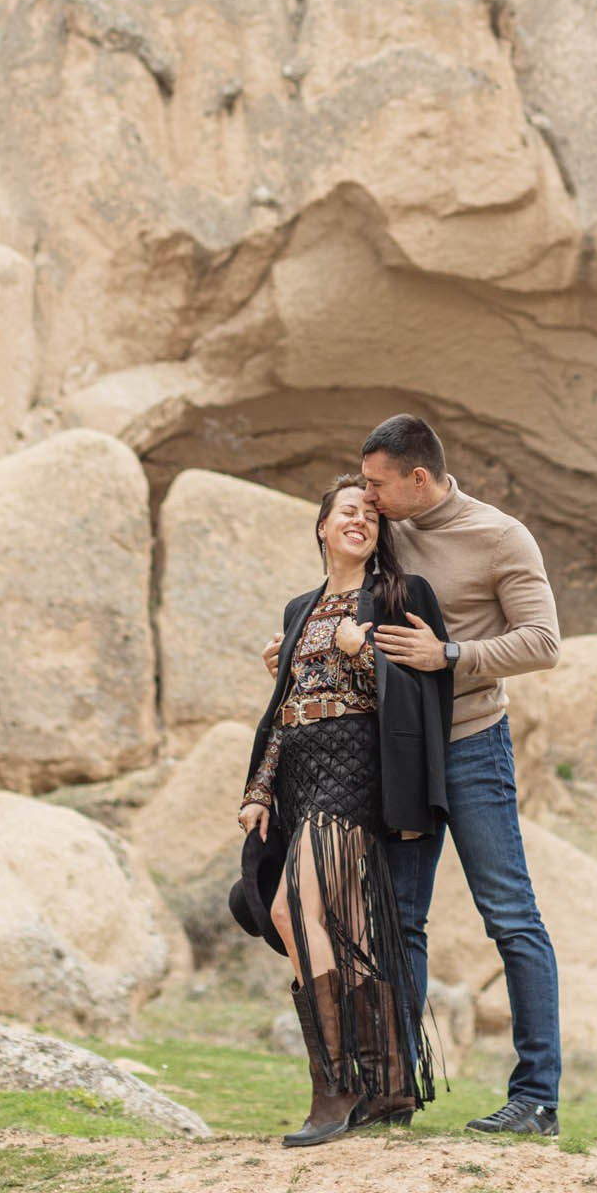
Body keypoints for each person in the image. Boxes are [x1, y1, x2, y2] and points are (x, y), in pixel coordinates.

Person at [359, 413, 564, 1141]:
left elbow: (542, 642)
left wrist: (448, 657)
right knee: (399, 921)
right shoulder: (382, 528)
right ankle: (394, 1091)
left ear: (419, 476)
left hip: (473, 745)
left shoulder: (500, 537)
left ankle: (537, 1099)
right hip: (399, 751)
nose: (367, 495)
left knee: (511, 919)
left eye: (378, 483)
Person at [237, 477, 452, 1147]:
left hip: (356, 767)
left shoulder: (399, 595)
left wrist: (362, 657)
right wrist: (259, 790)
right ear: (323, 525)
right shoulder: (300, 607)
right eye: (346, 511)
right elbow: (285, 706)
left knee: (289, 912)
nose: (359, 520)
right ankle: (386, 1081)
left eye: (369, 514)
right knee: (345, 930)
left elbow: (417, 697)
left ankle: (332, 1089)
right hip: (300, 774)